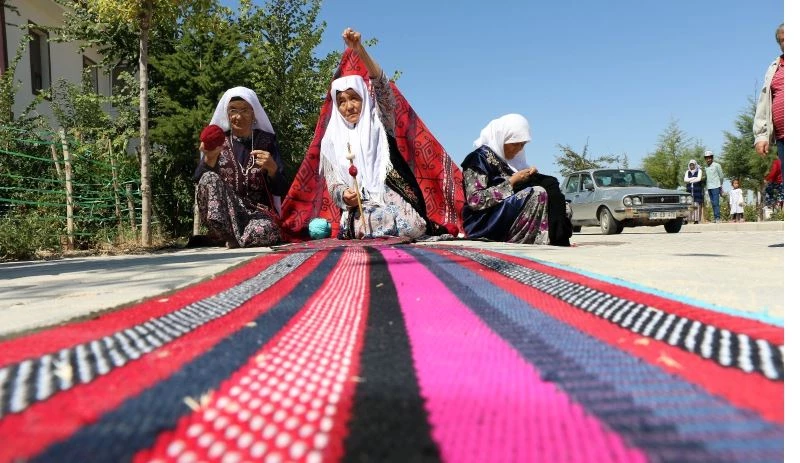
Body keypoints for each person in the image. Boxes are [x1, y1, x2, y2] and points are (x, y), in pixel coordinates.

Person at [317, 28, 451, 239]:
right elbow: (334, 184)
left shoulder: (380, 122)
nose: (349, 106)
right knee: (375, 220)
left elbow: (382, 86)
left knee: (414, 225)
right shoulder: (331, 141)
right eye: (341, 101)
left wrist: (360, 50)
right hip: (362, 205)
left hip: (392, 195)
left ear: (364, 97)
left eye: (354, 98)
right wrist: (344, 194)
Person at [193, 87, 289, 247]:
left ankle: (234, 239)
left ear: (254, 114)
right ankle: (228, 236)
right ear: (227, 114)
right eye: (233, 110)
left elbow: (282, 190)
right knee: (209, 177)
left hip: (257, 215)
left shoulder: (267, 142)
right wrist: (209, 158)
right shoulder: (218, 142)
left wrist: (272, 169)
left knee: (265, 230)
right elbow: (199, 181)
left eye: (244, 110)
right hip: (225, 217)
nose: (238, 116)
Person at [460, 114, 572, 246]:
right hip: (485, 221)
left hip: (508, 212)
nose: (519, 149)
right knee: (537, 193)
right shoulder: (478, 159)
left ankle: (553, 236)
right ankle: (531, 239)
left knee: (561, 204)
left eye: (522, 145)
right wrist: (512, 182)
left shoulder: (512, 161)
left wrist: (530, 175)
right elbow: (475, 201)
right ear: (502, 139)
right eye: (514, 144)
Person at [753, 23, 784, 179]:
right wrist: (761, 136)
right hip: (783, 138)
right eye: (782, 40)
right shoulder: (774, 68)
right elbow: (764, 104)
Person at [703, 151, 724, 223]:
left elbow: (721, 176)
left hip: (716, 186)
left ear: (712, 158)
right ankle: (715, 218)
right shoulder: (705, 167)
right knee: (712, 203)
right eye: (707, 158)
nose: (708, 159)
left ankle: (718, 218)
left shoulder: (717, 165)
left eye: (709, 158)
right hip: (709, 187)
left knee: (716, 202)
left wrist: (720, 185)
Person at [684, 159, 704, 224]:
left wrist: (689, 180)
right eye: (690, 165)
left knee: (696, 204)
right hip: (689, 190)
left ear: (695, 165)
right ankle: (686, 219)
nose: (692, 166)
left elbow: (699, 179)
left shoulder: (699, 171)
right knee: (689, 204)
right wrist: (694, 178)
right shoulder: (687, 171)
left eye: (693, 165)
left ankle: (696, 220)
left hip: (697, 190)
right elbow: (685, 180)